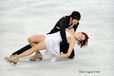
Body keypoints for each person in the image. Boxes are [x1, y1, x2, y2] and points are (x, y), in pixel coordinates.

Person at [10, 11, 81, 60]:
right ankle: (16, 54)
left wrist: (71, 41)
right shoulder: (64, 20)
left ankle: (59, 48)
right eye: (75, 21)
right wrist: (65, 42)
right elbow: (62, 31)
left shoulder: (76, 23)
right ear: (71, 18)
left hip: (62, 39)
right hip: (53, 35)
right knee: (35, 43)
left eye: (77, 22)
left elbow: (73, 32)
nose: (76, 23)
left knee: (71, 56)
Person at [5, 29, 89, 64]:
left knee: (34, 47)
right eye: (81, 36)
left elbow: (68, 53)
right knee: (30, 39)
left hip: (51, 42)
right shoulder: (72, 29)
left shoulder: (72, 41)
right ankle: (38, 54)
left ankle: (16, 58)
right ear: (80, 33)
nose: (79, 38)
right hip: (48, 36)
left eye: (81, 40)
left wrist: (59, 55)